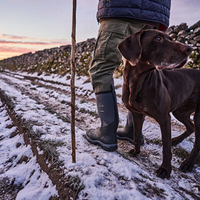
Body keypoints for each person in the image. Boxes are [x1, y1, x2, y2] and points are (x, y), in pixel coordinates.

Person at [86, 0, 171, 152]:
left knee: (102, 67)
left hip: (121, 8)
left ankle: (107, 132)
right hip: (156, 14)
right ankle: (133, 131)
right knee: (141, 69)